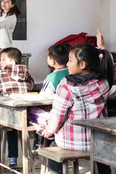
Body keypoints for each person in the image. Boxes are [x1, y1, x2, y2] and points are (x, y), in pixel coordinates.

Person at [42, 43, 114, 174]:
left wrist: (49, 129)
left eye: (70, 61)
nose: (67, 64)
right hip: (98, 141)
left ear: (82, 65)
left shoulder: (66, 86)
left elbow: (58, 116)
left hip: (73, 143)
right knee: (102, 155)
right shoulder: (103, 83)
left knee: (52, 147)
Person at [0, 47, 34, 167]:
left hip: (6, 112)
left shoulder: (1, 73)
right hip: (23, 113)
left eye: (2, 59)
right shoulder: (26, 72)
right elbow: (31, 86)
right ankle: (13, 159)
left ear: (12, 62)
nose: (0, 62)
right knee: (13, 127)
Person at [30, 44, 69, 151]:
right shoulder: (71, 72)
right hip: (68, 112)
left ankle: (43, 139)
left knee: (31, 112)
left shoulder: (52, 76)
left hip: (54, 112)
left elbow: (43, 96)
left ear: (52, 61)